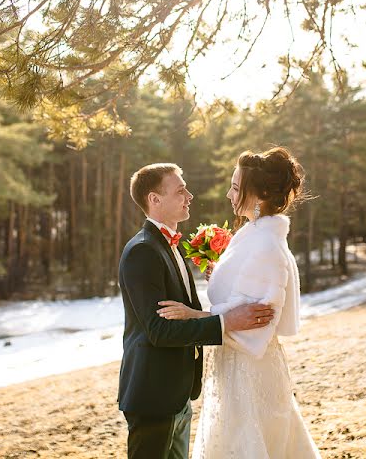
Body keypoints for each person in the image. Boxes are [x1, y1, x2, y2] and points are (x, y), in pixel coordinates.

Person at [156, 147, 321, 458]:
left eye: (235, 187)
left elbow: (254, 325)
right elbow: (244, 302)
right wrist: (219, 274)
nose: (229, 194)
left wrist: (195, 316)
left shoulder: (264, 244)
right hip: (238, 368)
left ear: (258, 195)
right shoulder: (254, 235)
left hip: (250, 372)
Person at [118, 163, 276, 459]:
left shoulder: (172, 247)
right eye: (180, 191)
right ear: (155, 200)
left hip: (179, 392)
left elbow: (185, 311)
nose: (189, 195)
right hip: (153, 394)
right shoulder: (142, 251)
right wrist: (226, 323)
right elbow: (159, 331)